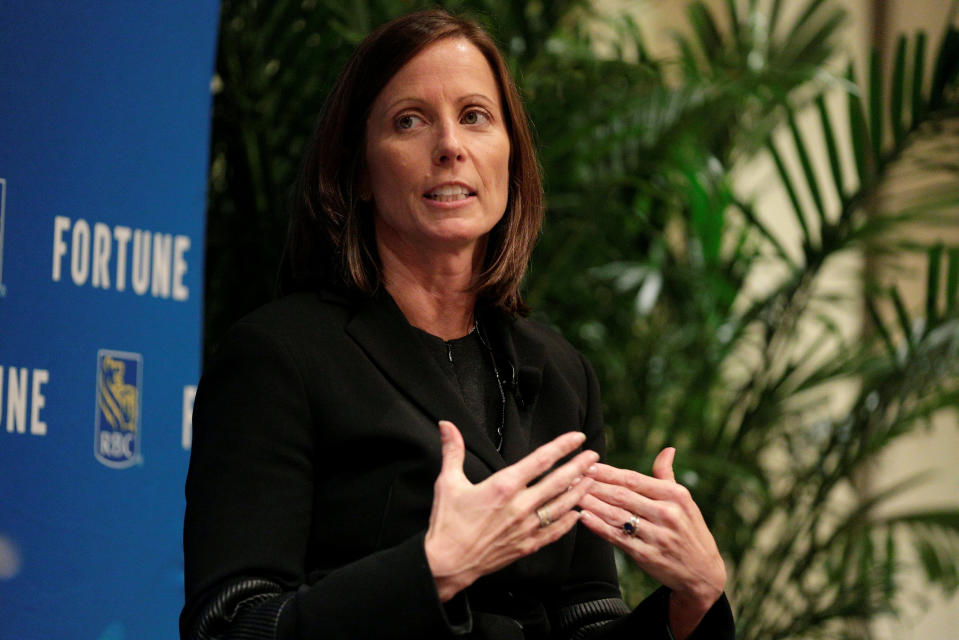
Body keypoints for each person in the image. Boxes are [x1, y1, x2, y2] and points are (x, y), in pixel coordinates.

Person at [181, 9, 733, 640]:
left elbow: (585, 617)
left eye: (475, 116)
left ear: (509, 157)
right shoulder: (279, 357)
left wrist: (691, 602)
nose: (450, 146)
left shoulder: (561, 375)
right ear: (359, 170)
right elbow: (229, 624)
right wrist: (429, 572)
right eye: (409, 120)